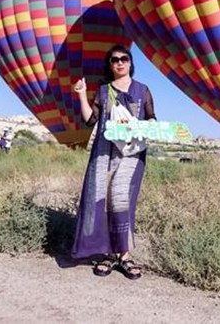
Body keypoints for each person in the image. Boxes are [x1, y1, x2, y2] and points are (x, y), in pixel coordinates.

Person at [71, 45, 156, 280]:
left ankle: (124, 255)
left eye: (123, 58)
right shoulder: (102, 91)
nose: (119, 63)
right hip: (104, 152)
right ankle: (108, 253)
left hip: (132, 152)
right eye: (114, 60)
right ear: (110, 65)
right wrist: (81, 93)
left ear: (130, 62)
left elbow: (152, 119)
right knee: (104, 199)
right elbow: (90, 121)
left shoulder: (143, 91)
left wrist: (140, 127)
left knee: (120, 197)